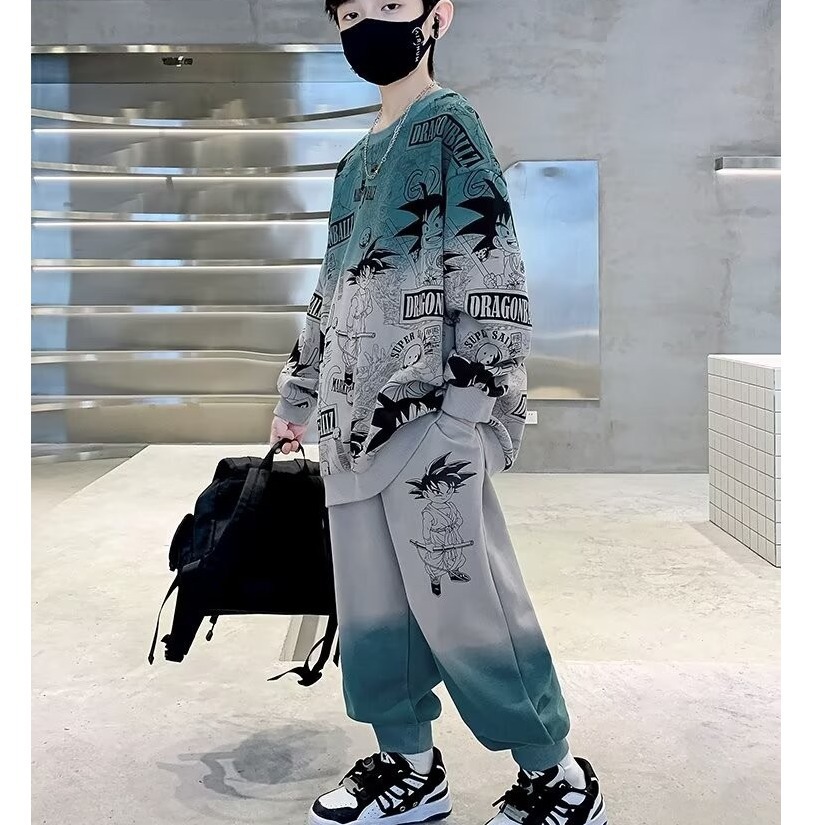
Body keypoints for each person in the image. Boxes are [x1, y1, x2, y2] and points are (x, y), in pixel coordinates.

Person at [270, 2, 608, 823]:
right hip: (347, 427)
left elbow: (493, 263)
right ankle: (409, 765)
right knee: (373, 610)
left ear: (435, 17)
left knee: (470, 606)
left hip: (428, 416)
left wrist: (467, 404)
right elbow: (331, 288)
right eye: (352, 13)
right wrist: (299, 395)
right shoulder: (354, 160)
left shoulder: (450, 125)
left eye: (389, 7)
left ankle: (556, 775)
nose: (368, 25)